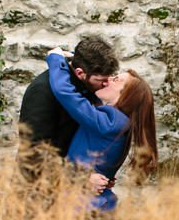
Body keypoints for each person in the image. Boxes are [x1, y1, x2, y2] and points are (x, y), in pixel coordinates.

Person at [45, 47, 158, 211]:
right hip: (93, 206)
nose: (108, 80)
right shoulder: (119, 123)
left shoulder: (111, 122)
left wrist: (55, 58)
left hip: (82, 209)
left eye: (116, 80)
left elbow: (66, 93)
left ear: (125, 97)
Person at [18, 36, 119, 187]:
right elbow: (34, 154)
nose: (107, 84)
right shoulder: (42, 91)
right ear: (80, 73)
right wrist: (81, 178)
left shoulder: (87, 84)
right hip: (40, 191)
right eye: (102, 80)